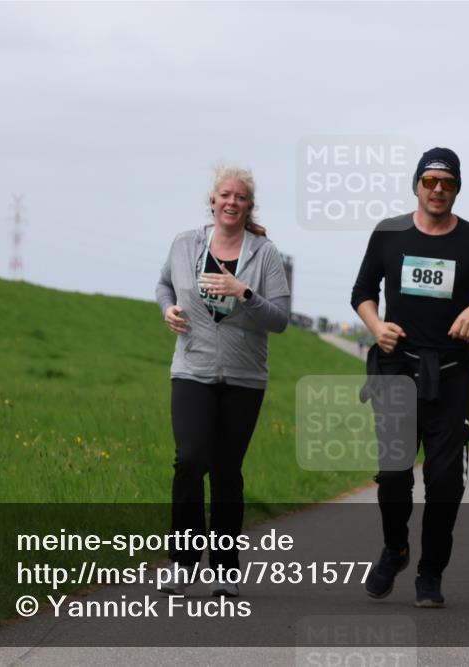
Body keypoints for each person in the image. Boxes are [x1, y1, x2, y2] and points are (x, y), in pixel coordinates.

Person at [351, 147, 469, 608]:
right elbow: (362, 291)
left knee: (445, 483)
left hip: (451, 376)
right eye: (430, 181)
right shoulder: (389, 233)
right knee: (394, 476)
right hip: (397, 370)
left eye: (447, 183)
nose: (438, 189)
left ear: (457, 189)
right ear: (416, 185)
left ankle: (430, 572)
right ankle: (395, 548)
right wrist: (377, 326)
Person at [155, 165, 291, 597]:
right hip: (191, 370)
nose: (232, 202)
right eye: (225, 195)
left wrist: (242, 292)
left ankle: (225, 570)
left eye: (241, 197)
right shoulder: (185, 244)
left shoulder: (264, 254)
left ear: (249, 206)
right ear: (212, 201)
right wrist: (168, 310)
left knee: (227, 471)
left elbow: (280, 319)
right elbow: (163, 285)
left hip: (243, 377)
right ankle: (182, 563)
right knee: (190, 461)